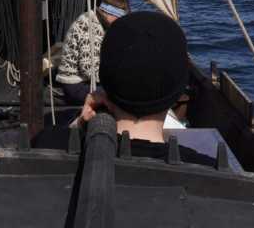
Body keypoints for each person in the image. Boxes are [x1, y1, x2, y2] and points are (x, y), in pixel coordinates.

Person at [36, 11, 216, 167]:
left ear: (104, 82)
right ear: (178, 92)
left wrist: (79, 125)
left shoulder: (45, 144)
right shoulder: (208, 168)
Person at [56, 0, 130, 105]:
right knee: (121, 94)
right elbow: (88, 69)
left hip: (82, 81)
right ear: (110, 14)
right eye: (119, 18)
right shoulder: (91, 27)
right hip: (76, 85)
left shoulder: (92, 19)